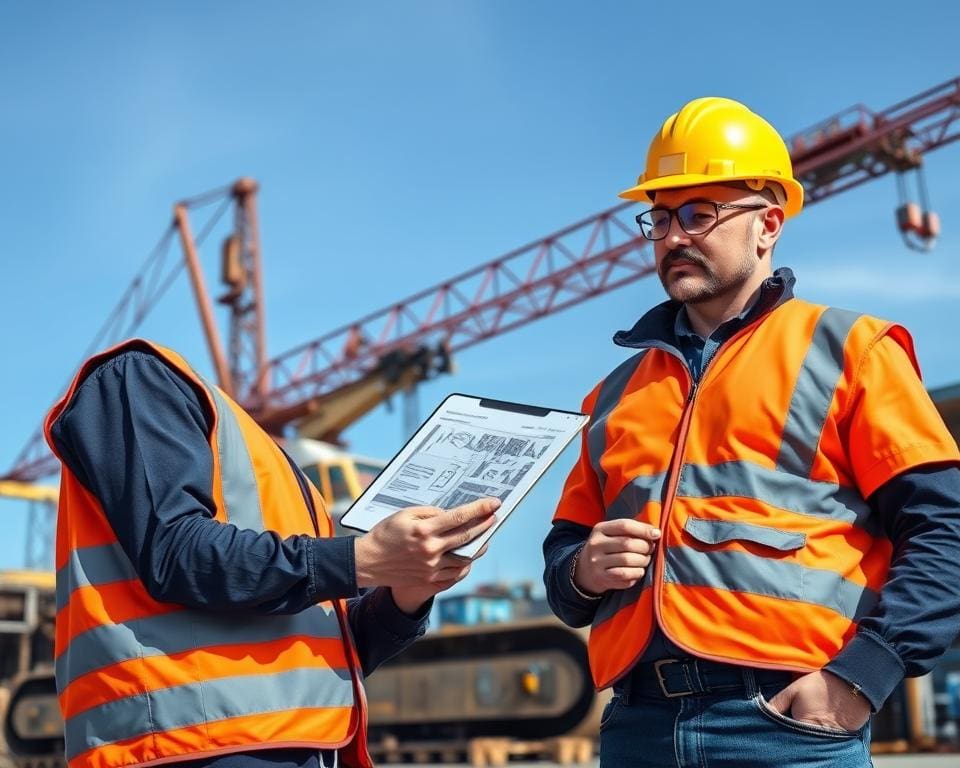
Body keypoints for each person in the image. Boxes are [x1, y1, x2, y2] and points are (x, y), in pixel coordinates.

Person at [542, 97, 960, 767]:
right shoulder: (613, 394)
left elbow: (944, 532)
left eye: (698, 214)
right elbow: (563, 560)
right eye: (659, 219)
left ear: (768, 225)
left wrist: (862, 677)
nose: (672, 237)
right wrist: (583, 571)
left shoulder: (851, 350)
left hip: (789, 725)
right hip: (636, 727)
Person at [46, 339, 499, 768]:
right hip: (190, 743)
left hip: (284, 742)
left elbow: (331, 649)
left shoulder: (279, 475)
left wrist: (406, 594)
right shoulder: (138, 375)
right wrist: (360, 559)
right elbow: (175, 553)